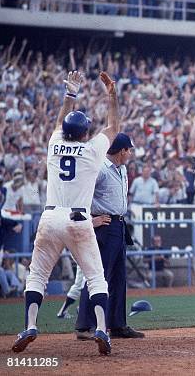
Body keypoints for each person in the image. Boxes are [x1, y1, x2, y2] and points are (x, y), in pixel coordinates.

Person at [11, 70, 119, 356]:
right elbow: (113, 127)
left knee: (37, 276)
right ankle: (99, 329)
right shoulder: (93, 151)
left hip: (50, 217)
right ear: (84, 133)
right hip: (79, 220)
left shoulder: (54, 144)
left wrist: (70, 94)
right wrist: (112, 95)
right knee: (96, 278)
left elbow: (60, 120)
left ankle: (31, 325)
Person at [76, 133, 144, 340]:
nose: (130, 153)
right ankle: (84, 326)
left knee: (119, 278)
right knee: (98, 275)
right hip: (103, 225)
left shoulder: (121, 168)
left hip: (119, 225)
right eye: (129, 150)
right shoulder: (101, 169)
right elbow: (80, 193)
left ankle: (117, 324)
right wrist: (90, 220)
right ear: (122, 150)